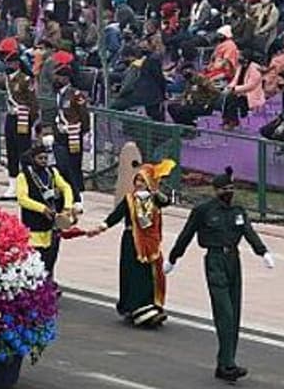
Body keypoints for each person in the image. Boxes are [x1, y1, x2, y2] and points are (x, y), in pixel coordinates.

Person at [166, 168, 275, 383]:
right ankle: (227, 364)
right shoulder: (203, 210)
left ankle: (225, 363)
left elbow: (248, 232)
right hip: (215, 260)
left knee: (234, 314)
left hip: (234, 260)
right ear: (215, 190)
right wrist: (173, 258)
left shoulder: (237, 210)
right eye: (225, 189)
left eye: (231, 189)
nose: (229, 192)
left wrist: (263, 252)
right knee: (224, 312)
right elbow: (186, 235)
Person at [86, 159, 176, 328]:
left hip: (151, 244)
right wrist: (100, 228)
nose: (139, 184)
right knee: (133, 274)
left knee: (149, 275)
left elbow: (166, 202)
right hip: (131, 242)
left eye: (143, 180)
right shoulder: (129, 199)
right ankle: (135, 308)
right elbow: (115, 216)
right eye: (137, 180)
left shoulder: (154, 200)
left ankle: (151, 306)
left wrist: (155, 191)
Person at [16, 142, 75, 280]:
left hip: (51, 226)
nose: (43, 161)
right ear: (33, 159)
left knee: (50, 260)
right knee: (35, 261)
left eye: (45, 158)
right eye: (40, 158)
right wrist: (42, 209)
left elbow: (66, 188)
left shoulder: (52, 173)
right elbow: (22, 199)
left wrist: (67, 207)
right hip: (33, 225)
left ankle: (48, 288)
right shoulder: (23, 177)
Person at [0, 48, 37, 199]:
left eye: (10, 62)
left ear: (16, 63)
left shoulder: (26, 80)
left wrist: (31, 121)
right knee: (11, 151)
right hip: (11, 116)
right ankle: (12, 186)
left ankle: (26, 184)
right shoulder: (7, 79)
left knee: (24, 151)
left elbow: (33, 104)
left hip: (23, 118)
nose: (7, 65)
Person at [52, 63, 90, 209]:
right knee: (61, 164)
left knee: (74, 165)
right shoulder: (58, 94)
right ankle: (66, 194)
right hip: (61, 134)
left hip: (73, 134)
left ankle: (79, 197)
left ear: (67, 78)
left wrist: (84, 131)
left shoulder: (75, 94)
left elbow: (83, 114)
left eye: (60, 76)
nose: (57, 79)